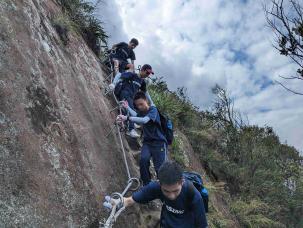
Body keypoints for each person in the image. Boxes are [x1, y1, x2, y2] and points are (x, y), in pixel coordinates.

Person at [123, 161, 208, 228]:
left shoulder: (193, 194)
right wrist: (116, 202)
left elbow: (202, 225)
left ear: (182, 182)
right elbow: (130, 200)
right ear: (160, 183)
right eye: (166, 191)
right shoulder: (156, 187)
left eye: (175, 191)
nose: (171, 196)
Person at [117, 91, 168, 185]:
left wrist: (126, 118)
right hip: (147, 142)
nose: (140, 107)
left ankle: (164, 190)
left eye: (141, 104)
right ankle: (146, 184)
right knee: (143, 160)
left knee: (160, 169)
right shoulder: (142, 112)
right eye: (138, 105)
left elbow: (144, 120)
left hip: (159, 143)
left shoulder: (153, 110)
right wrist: (127, 107)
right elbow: (136, 116)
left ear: (146, 101)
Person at [113, 64, 154, 138]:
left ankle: (134, 122)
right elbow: (119, 75)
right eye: (147, 73)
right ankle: (130, 130)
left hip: (131, 98)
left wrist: (151, 102)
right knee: (131, 107)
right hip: (124, 93)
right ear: (142, 70)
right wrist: (113, 84)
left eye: (149, 74)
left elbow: (145, 92)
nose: (147, 75)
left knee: (140, 109)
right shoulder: (132, 75)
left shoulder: (142, 82)